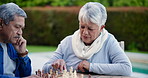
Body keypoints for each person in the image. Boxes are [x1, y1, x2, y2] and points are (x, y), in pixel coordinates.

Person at [43, 2, 132, 76]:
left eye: (90, 29)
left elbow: (126, 68)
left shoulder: (109, 41)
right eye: (82, 27)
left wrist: (91, 67)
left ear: (101, 28)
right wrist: (55, 65)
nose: (85, 32)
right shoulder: (67, 42)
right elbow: (45, 68)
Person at [0, 3, 40, 78]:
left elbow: (26, 75)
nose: (20, 33)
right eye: (17, 27)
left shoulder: (15, 45)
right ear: (1, 23)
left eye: (21, 28)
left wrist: (22, 54)